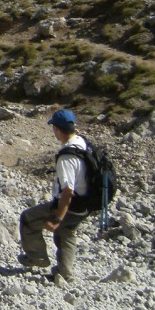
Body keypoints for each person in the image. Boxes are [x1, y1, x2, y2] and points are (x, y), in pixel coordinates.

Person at [19, 109, 90, 283]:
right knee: (67, 232)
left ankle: (37, 258)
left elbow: (68, 191)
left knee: (28, 219)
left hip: (70, 205)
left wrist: (58, 217)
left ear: (58, 129)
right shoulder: (82, 142)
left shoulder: (66, 157)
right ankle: (64, 273)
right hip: (86, 204)